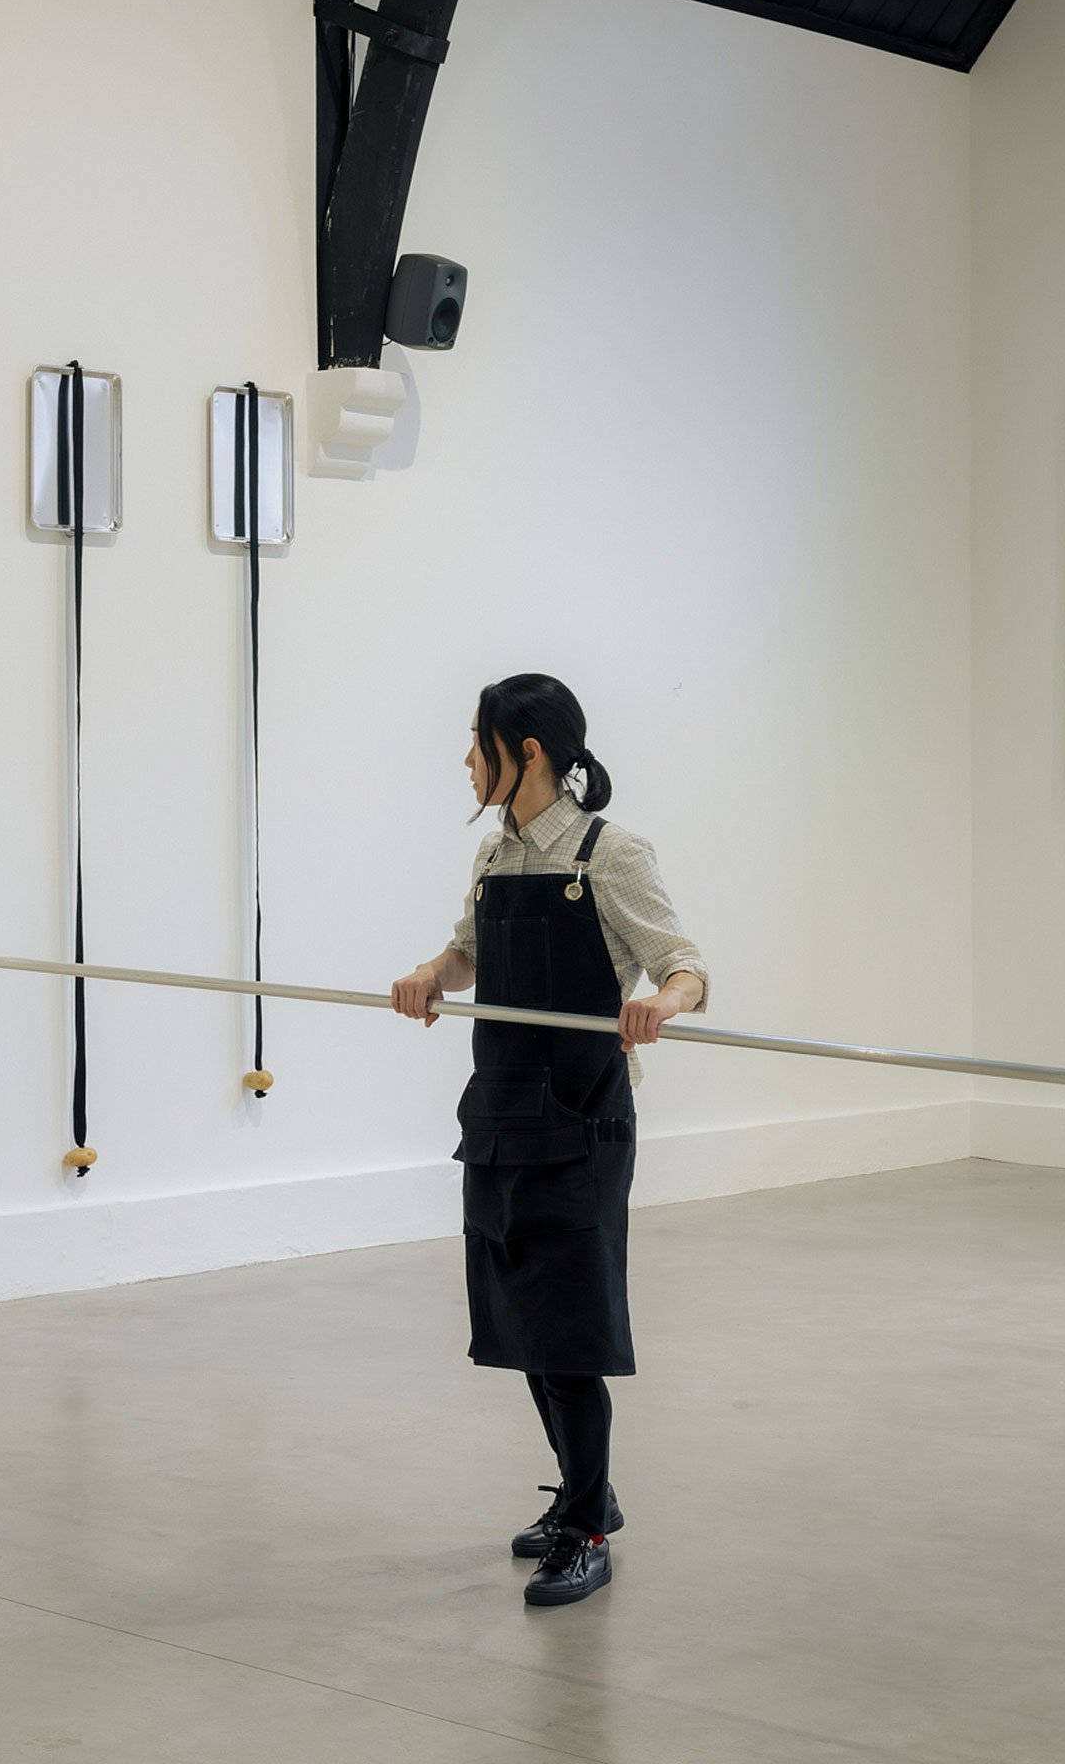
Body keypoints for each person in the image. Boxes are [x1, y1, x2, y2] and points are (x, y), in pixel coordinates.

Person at [392, 674, 707, 1607]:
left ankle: (587, 1530)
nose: (466, 759)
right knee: (526, 1324)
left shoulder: (610, 853)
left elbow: (684, 966)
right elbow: (469, 952)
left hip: (581, 1122)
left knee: (568, 1333)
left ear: (525, 751)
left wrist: (659, 1005)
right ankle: (584, 1490)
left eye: (477, 740)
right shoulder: (494, 855)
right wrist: (431, 973)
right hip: (500, 1113)